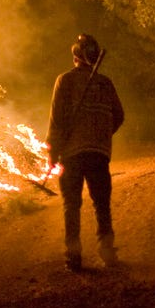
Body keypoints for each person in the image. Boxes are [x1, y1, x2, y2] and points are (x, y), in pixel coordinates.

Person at [46, 33, 125, 271]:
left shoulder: (65, 80)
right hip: (99, 154)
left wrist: (52, 152)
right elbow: (119, 116)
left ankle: (74, 255)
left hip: (72, 153)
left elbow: (56, 120)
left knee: (72, 204)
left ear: (76, 57)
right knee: (101, 203)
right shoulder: (105, 83)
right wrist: (101, 135)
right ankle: (107, 250)